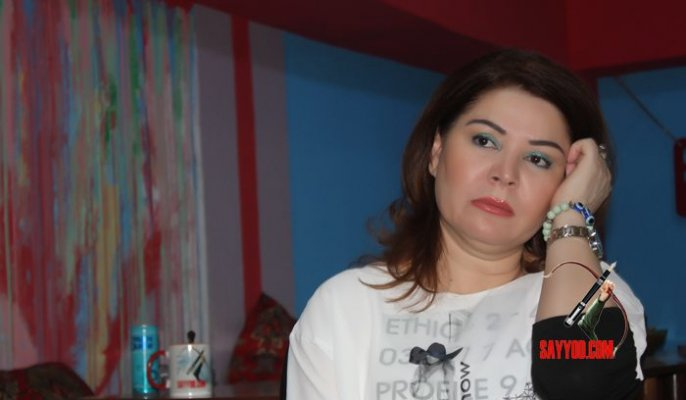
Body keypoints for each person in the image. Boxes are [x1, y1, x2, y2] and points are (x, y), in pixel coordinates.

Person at [286, 49, 646, 400]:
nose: (505, 173)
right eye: (485, 141)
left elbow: (581, 384)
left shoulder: (598, 295)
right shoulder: (344, 307)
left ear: (567, 180)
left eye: (538, 158)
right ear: (436, 152)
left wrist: (571, 215)